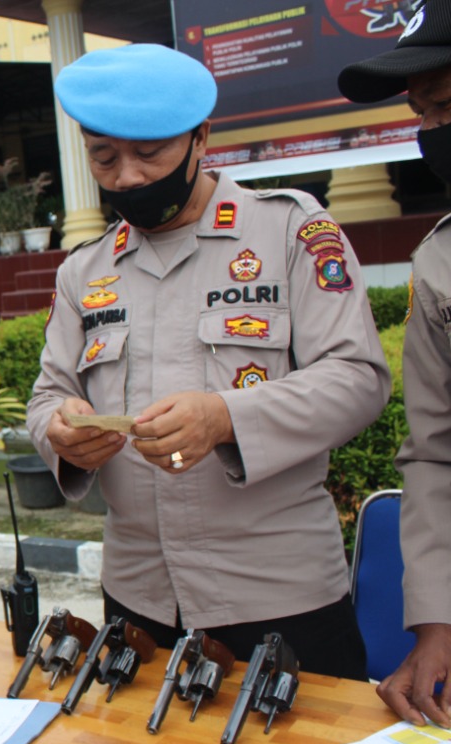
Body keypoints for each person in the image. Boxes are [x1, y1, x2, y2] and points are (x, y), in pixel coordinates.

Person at [26, 44, 391, 679]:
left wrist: (226, 418)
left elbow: (358, 378)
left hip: (278, 596)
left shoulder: (289, 232)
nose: (129, 177)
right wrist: (60, 432)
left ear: (202, 140)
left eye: (150, 152)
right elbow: (46, 396)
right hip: (139, 599)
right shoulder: (83, 270)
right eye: (103, 157)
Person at [339, 0, 451, 725]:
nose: (433, 135)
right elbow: (435, 454)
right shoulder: (440, 260)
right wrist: (438, 621)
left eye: (445, 106)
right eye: (424, 115)